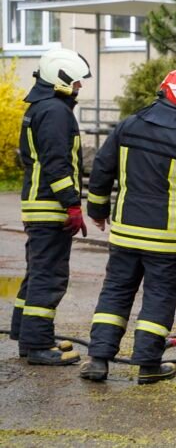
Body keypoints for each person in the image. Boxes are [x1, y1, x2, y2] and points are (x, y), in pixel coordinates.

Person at [79, 69, 176, 385]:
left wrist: (97, 210)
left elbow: (101, 169)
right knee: (159, 297)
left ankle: (98, 359)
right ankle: (147, 365)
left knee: (115, 292)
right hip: (166, 241)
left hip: (126, 232)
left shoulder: (127, 127)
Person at [9, 48, 91, 366]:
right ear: (60, 79)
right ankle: (38, 344)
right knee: (49, 275)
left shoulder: (39, 108)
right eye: (76, 82)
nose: (79, 87)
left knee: (37, 272)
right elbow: (58, 164)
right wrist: (72, 205)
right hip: (50, 207)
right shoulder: (56, 112)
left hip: (38, 204)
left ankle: (26, 333)